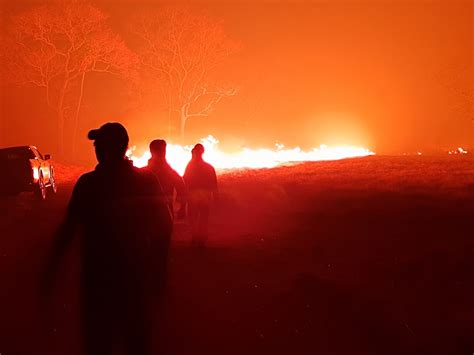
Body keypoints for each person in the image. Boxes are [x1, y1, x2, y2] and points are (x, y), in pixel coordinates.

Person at [43, 122, 172, 355]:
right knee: (136, 341)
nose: (96, 148)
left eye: (98, 144)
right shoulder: (146, 181)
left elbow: (69, 229)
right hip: (135, 279)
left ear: (105, 149)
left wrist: (51, 269)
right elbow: (165, 225)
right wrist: (159, 271)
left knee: (99, 343)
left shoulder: (89, 184)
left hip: (98, 282)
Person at [183, 143, 218, 246]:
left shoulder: (190, 166)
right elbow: (214, 184)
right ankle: (202, 238)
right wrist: (216, 198)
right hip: (206, 194)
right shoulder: (209, 167)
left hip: (193, 194)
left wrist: (183, 197)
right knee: (204, 216)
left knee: (193, 216)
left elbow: (185, 180)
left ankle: (195, 237)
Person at [147, 139, 186, 218]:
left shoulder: (144, 172)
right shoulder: (169, 172)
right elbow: (181, 188)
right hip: (165, 211)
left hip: (149, 211)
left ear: (151, 151)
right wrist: (182, 207)